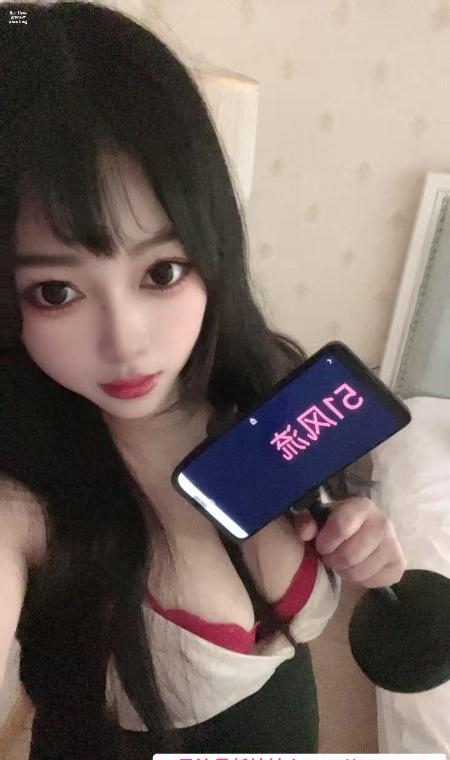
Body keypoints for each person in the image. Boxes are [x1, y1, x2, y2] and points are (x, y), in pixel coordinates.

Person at [0, 2, 406, 758]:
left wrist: (362, 539)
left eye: (162, 271)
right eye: (55, 291)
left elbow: (334, 512)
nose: (127, 344)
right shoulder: (23, 500)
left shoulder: (267, 383)